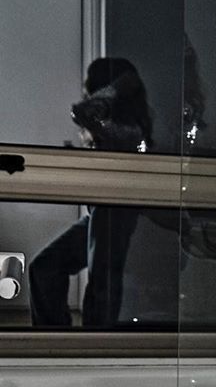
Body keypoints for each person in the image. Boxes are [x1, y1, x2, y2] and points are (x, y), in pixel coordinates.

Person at [28, 57, 151, 327]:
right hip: (99, 212)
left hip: (115, 214)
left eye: (91, 87)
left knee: (101, 289)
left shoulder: (129, 130)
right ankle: (56, 339)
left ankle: (95, 344)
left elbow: (81, 112)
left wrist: (118, 86)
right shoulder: (109, 129)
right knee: (45, 268)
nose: (86, 92)